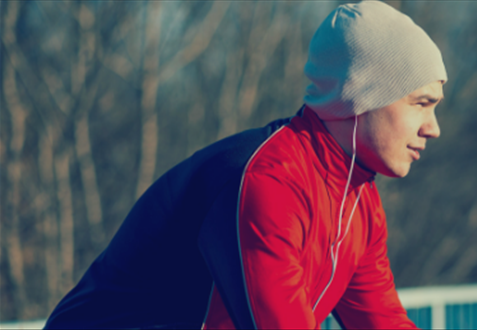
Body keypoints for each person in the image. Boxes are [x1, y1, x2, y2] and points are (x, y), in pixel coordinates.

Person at [45, 1, 446, 328]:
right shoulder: (268, 181)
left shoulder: (360, 201)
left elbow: (383, 322)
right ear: (361, 95)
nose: (433, 128)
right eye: (421, 104)